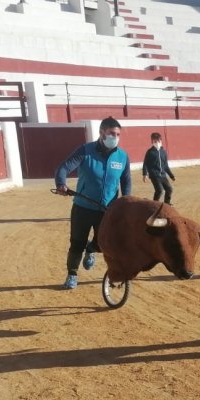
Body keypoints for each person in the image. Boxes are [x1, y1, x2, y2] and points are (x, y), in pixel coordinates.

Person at [54, 117, 131, 290]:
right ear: (102, 132)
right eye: (112, 133)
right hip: (82, 208)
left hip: (106, 210)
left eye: (118, 134)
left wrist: (126, 200)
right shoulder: (85, 151)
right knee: (76, 243)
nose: (115, 137)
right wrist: (61, 184)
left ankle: (91, 249)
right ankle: (72, 274)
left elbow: (126, 181)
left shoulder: (123, 156)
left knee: (103, 244)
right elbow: (64, 168)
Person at [142, 132, 176, 205]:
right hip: (154, 175)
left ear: (161, 141)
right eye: (155, 141)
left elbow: (165, 165)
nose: (157, 143)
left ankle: (167, 204)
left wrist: (171, 175)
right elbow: (145, 164)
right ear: (152, 142)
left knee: (169, 189)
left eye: (158, 141)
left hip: (163, 175)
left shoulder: (163, 152)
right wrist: (145, 174)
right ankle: (154, 204)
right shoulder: (150, 152)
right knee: (159, 190)